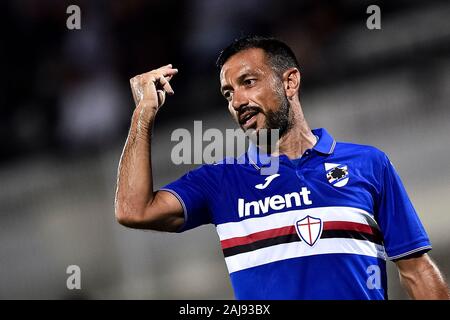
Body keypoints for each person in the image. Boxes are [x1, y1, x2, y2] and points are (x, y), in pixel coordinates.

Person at [114, 36, 450, 299]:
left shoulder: (369, 164)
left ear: (289, 83)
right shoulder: (221, 179)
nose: (237, 101)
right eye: (228, 93)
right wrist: (143, 114)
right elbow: (134, 210)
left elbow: (416, 272)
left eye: (248, 82)